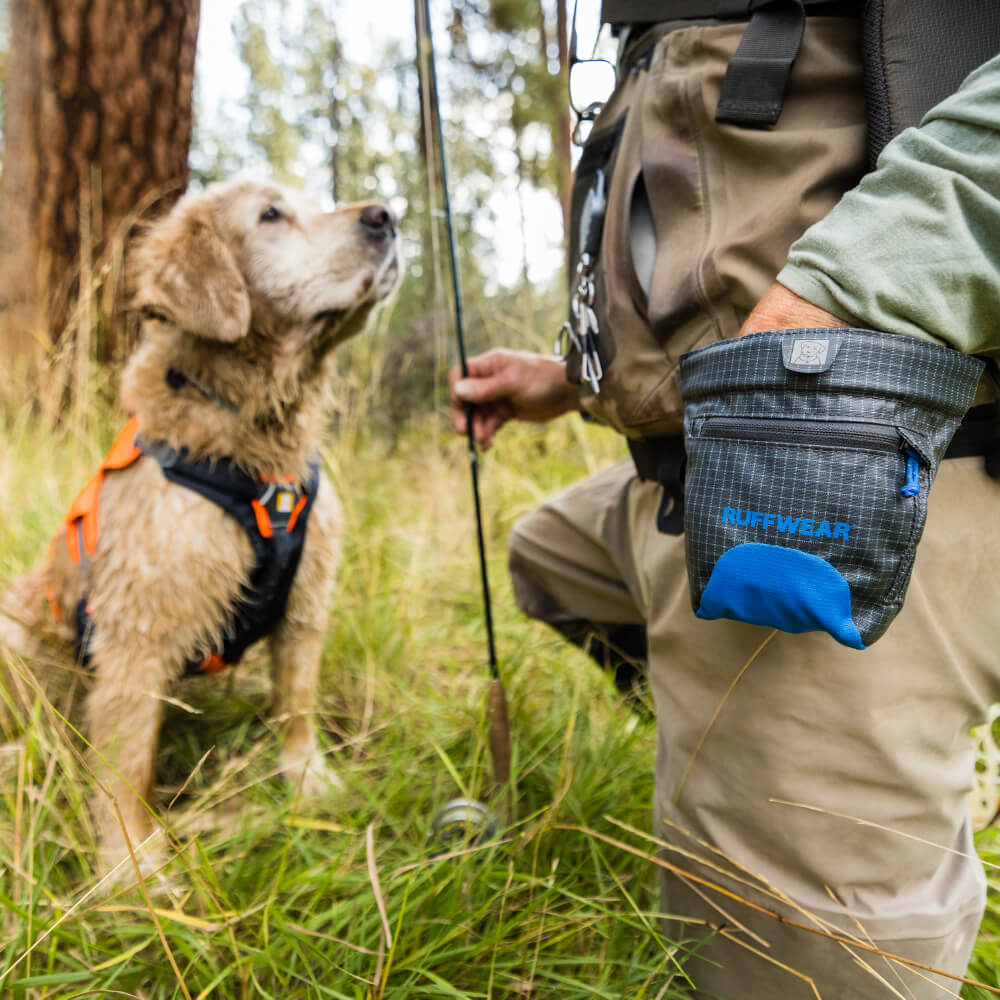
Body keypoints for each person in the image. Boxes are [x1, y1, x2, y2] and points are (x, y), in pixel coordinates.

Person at [451, 14, 1000, 999]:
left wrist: (862, 282)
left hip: (846, 476)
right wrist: (576, 378)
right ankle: (713, 731)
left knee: (798, 972)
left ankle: (835, 750)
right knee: (547, 553)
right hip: (687, 471)